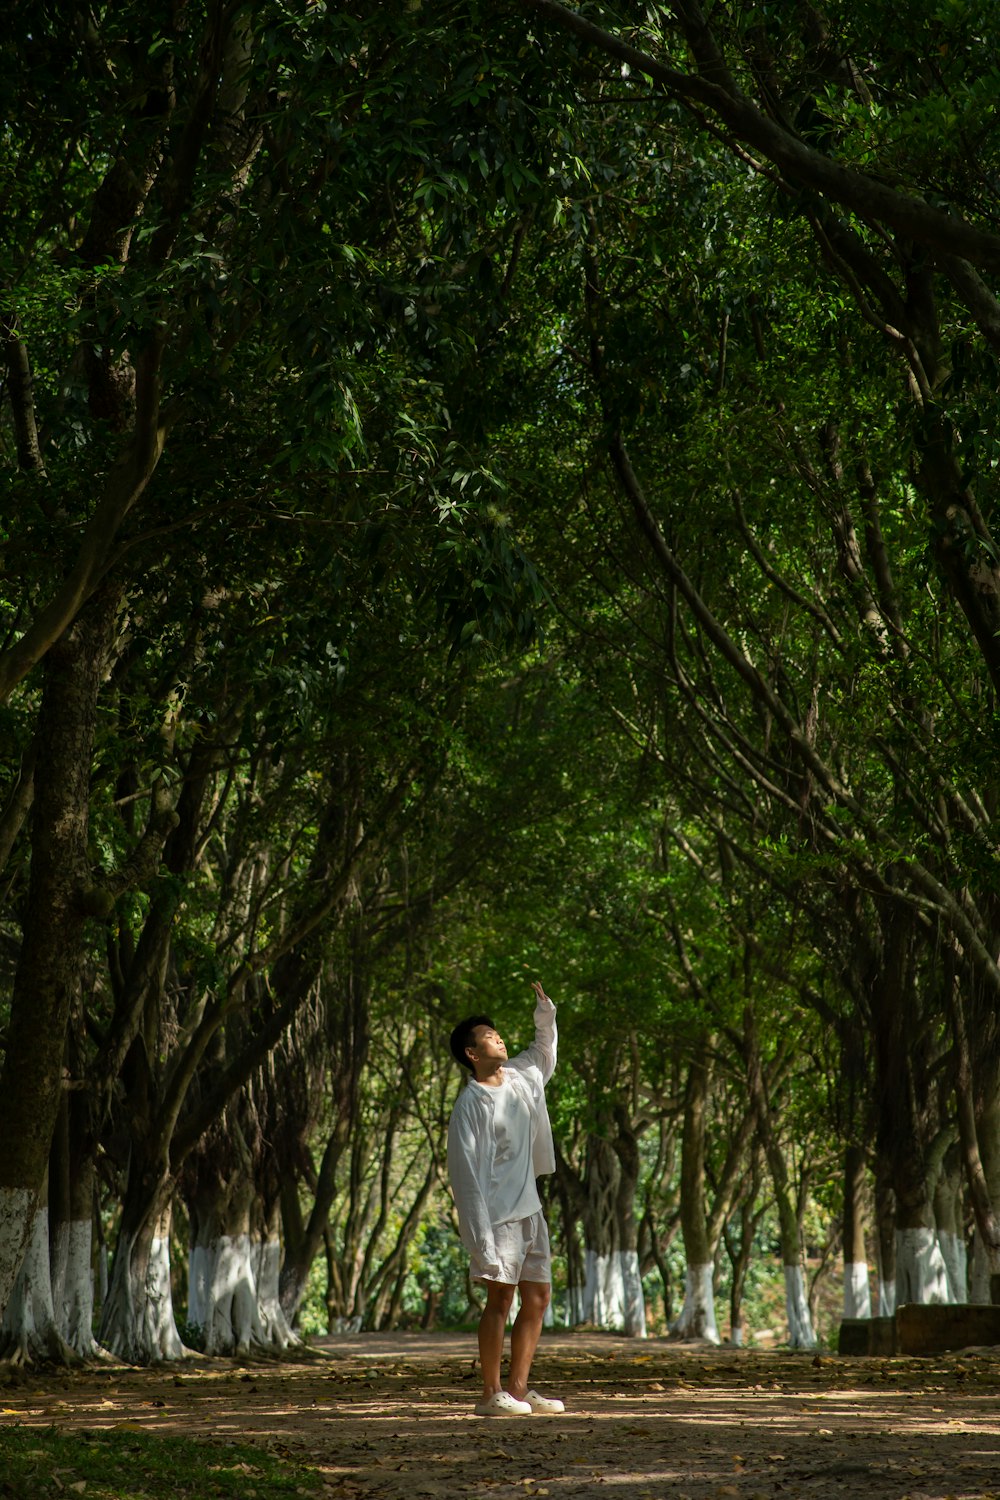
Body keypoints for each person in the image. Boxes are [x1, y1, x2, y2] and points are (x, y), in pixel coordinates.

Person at [447, 979, 565, 1417]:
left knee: (537, 1298)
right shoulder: (471, 1104)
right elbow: (466, 1177)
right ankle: (490, 1393)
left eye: (496, 1033)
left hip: (530, 1210)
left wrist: (544, 1010)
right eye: (487, 1037)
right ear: (471, 1055)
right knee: (500, 1300)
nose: (497, 1038)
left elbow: (544, 1051)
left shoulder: (519, 1078)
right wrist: (482, 1239)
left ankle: (518, 1389)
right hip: (498, 1219)